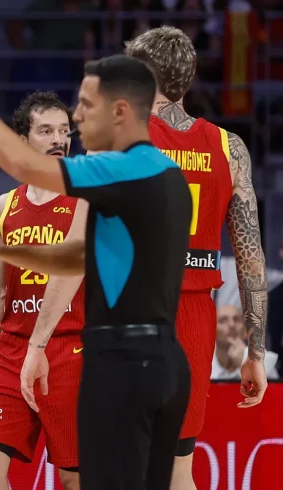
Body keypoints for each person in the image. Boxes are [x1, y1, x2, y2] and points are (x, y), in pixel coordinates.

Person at [0, 54, 193, 490]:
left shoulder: (114, 171)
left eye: (86, 106)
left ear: (120, 112)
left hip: (111, 356)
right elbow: (73, 257)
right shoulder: (161, 174)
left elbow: (24, 166)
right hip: (148, 356)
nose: (76, 119)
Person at [124, 26, 269, 490]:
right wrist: (256, 353)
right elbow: (250, 261)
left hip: (133, 312)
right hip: (194, 320)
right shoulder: (231, 149)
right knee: (178, 467)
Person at [0, 91, 88, 490]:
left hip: (73, 349)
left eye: (64, 131)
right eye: (46, 130)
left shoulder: (88, 196)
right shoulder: (6, 205)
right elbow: (0, 292)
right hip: (14, 351)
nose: (58, 139)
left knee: (75, 479)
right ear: (22, 141)